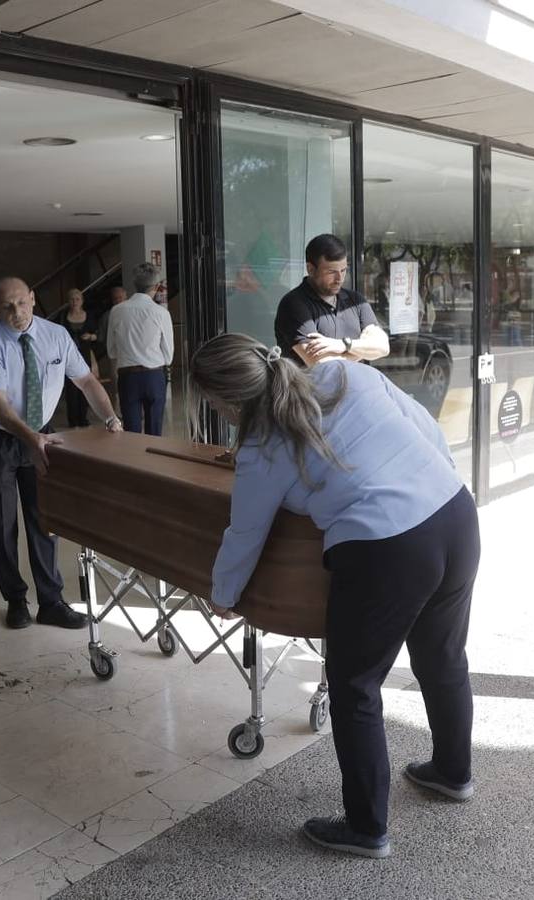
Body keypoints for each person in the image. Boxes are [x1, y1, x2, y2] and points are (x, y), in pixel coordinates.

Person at [194, 333, 478, 860]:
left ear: (230, 401)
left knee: (354, 686)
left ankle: (367, 827)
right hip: (455, 515)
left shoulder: (261, 446)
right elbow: (426, 428)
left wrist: (223, 593)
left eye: (214, 405)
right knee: (442, 657)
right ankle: (453, 772)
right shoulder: (346, 373)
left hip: (387, 548)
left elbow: (245, 532)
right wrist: (433, 483)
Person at [0, 277, 123, 629]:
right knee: (3, 521)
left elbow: (86, 381)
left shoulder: (55, 335)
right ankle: (15, 599)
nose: (16, 312)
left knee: (44, 518)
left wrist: (112, 418)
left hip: (42, 434)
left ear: (33, 299)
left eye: (21, 303)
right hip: (0, 438)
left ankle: (51, 601)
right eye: (7, 307)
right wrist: (30, 437)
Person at [274, 234, 390, 368]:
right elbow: (322, 366)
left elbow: (383, 347)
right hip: (310, 388)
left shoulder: (356, 300)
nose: (339, 278)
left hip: (354, 388)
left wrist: (343, 345)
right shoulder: (293, 304)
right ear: (311, 269)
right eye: (331, 272)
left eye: (343, 270)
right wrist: (364, 351)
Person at [105, 263, 174, 435]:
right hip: (154, 376)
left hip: (128, 378)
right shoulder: (161, 313)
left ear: (134, 284)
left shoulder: (117, 310)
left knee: (131, 433)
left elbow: (111, 351)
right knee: (154, 432)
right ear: (157, 286)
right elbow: (168, 355)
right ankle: (152, 462)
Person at [51, 289, 98, 428]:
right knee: (71, 389)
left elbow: (97, 335)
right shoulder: (62, 317)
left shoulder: (89, 316)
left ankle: (83, 418)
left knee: (85, 386)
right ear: (68, 301)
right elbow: (56, 335)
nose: (74, 302)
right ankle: (72, 419)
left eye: (77, 299)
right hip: (67, 356)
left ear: (82, 301)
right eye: (72, 299)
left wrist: (90, 336)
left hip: (84, 355)